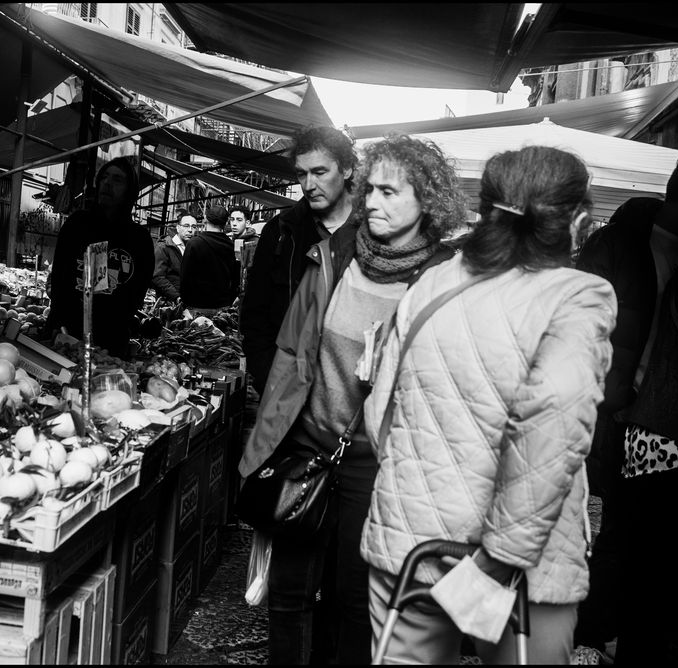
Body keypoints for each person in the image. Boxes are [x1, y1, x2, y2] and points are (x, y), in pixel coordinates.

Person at [362, 146, 617, 664]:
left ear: (487, 211)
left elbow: (379, 413)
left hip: (409, 546)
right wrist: (497, 561)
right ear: (580, 223)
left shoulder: (433, 282)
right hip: (521, 568)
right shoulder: (578, 295)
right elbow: (554, 421)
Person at [240, 134, 461, 664]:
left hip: (377, 465)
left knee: (353, 599)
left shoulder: (444, 279)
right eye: (371, 191)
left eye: (391, 192)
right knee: (289, 596)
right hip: (308, 443)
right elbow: (293, 347)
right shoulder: (337, 255)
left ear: (426, 202)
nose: (373, 203)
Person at [573, 148, 678, 659]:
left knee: (637, 544)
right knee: (621, 541)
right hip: (624, 413)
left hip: (663, 415)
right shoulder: (623, 242)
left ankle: (605, 635)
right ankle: (586, 638)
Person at [240, 126, 357, 395]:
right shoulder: (281, 231)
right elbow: (254, 314)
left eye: (319, 172)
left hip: (349, 395)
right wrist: (267, 374)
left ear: (347, 169)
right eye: (301, 174)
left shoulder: (372, 230)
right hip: (287, 390)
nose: (308, 185)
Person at [45, 157, 154, 359]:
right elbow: (59, 277)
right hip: (68, 335)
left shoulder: (138, 238)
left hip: (110, 340)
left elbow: (138, 291)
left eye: (117, 179)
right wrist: (56, 321)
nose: (107, 183)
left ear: (130, 191)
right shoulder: (78, 225)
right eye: (104, 177)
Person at [180, 204, 239, 313]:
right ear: (225, 223)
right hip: (223, 306)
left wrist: (184, 301)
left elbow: (185, 277)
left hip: (197, 305)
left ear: (206, 219)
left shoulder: (194, 243)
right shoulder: (231, 245)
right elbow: (235, 277)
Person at [151, 209, 196, 302]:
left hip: (188, 301)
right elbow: (157, 276)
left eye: (194, 227)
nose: (190, 230)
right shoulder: (163, 246)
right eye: (186, 226)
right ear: (178, 228)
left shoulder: (192, 248)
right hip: (167, 303)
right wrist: (176, 297)